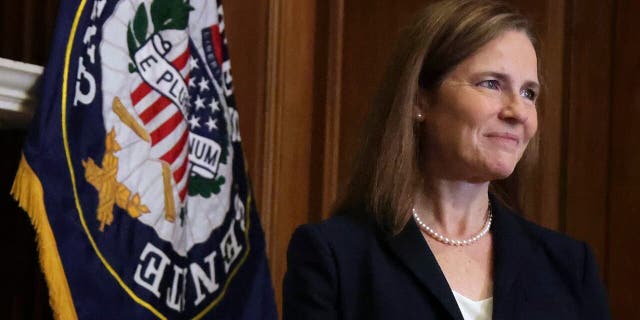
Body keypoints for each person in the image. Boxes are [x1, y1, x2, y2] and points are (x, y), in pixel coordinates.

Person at [283, 0, 611, 319]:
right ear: (420, 99)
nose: (518, 112)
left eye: (529, 93)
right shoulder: (335, 256)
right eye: (492, 84)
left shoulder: (568, 266)